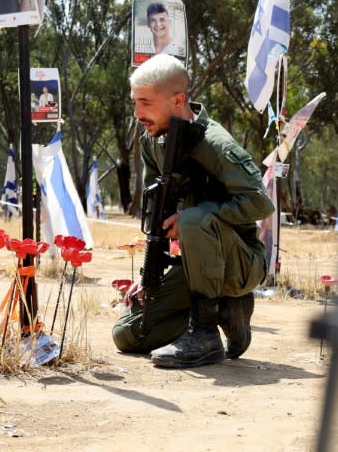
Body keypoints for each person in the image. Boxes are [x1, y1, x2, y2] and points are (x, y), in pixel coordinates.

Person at [112, 54, 274, 368]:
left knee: (195, 219)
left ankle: (204, 335)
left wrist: (203, 216)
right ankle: (225, 310)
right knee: (128, 334)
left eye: (145, 102)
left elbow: (260, 203)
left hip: (240, 263)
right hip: (196, 266)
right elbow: (158, 211)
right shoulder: (154, 140)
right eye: (135, 102)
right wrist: (149, 275)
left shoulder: (215, 144)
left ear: (178, 100)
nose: (137, 113)